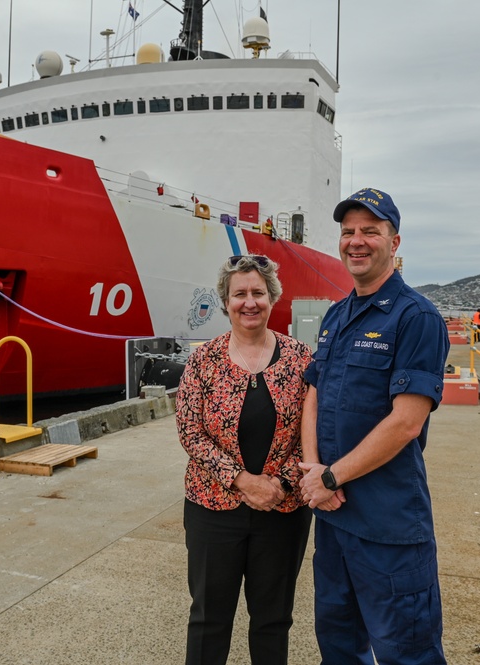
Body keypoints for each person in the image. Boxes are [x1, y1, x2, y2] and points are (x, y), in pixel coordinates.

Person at [297, 188, 450, 665]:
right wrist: (312, 472)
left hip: (388, 526)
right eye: (348, 232)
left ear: (394, 241)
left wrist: (329, 478)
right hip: (334, 518)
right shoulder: (337, 315)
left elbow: (405, 423)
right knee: (339, 647)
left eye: (370, 231)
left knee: (408, 652)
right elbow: (313, 396)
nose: (356, 242)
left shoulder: (416, 317)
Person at [176, 254, 313, 665]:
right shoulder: (204, 359)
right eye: (240, 294)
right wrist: (241, 480)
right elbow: (189, 430)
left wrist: (280, 483)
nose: (249, 302)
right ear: (226, 302)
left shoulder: (301, 359)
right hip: (212, 509)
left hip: (282, 509)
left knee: (272, 619)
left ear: (272, 298)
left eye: (258, 292)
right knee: (208, 618)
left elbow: (315, 436)